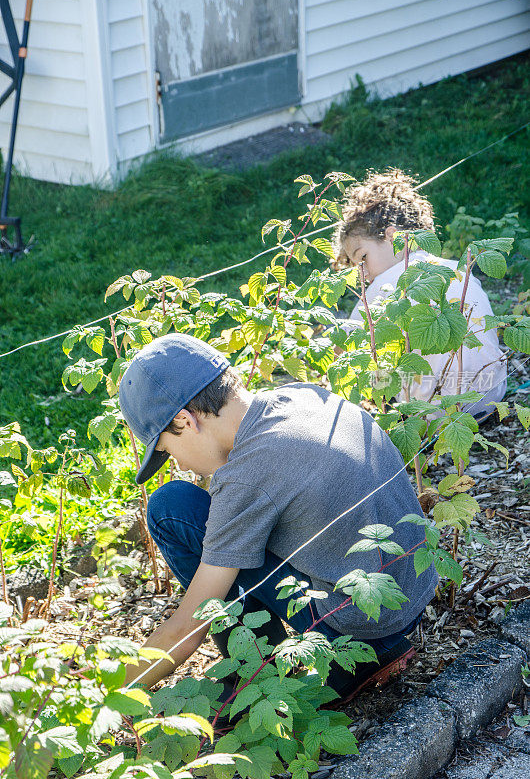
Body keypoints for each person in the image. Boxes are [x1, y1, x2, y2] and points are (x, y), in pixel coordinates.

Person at [119, 333, 437, 701]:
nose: (177, 463)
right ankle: (367, 652)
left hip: (360, 623)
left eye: (167, 449)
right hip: (411, 593)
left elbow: (186, 630)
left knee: (170, 507)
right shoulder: (302, 396)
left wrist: (102, 698)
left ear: (185, 421)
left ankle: (259, 672)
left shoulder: (247, 476)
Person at [332, 169, 506, 419]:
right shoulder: (454, 270)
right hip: (490, 398)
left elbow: (344, 350)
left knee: (372, 363)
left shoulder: (384, 286)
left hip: (433, 413)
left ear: (393, 236)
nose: (363, 274)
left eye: (363, 258)